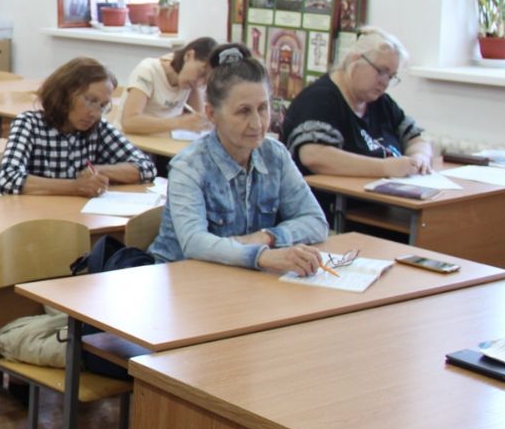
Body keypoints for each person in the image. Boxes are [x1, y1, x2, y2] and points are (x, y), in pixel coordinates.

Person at [149, 43, 328, 274]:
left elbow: (315, 221)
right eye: (243, 111)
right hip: (181, 278)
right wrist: (261, 256)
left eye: (263, 108)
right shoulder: (189, 166)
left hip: (241, 277)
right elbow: (194, 242)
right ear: (211, 114)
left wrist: (267, 237)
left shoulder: (276, 155)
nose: (257, 123)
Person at [282, 26, 433, 181]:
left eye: (391, 76)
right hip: (332, 196)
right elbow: (313, 156)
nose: (385, 82)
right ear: (355, 59)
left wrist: (420, 156)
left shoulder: (381, 102)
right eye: (381, 71)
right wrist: (385, 167)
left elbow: (416, 137)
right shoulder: (320, 98)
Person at [0, 57, 155, 196]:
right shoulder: (29, 124)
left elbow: (147, 167)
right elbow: (7, 179)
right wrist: (74, 186)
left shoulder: (99, 128)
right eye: (90, 101)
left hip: (74, 216)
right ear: (65, 94)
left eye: (102, 106)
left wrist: (98, 170)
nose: (95, 113)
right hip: (31, 216)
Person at [115, 37, 216, 135]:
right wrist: (180, 122)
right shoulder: (148, 70)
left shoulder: (189, 82)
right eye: (201, 73)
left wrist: (195, 89)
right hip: (131, 141)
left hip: (161, 141)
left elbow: (201, 119)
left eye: (205, 81)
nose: (199, 83)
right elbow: (129, 122)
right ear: (188, 55)